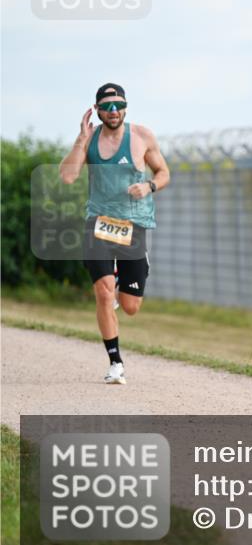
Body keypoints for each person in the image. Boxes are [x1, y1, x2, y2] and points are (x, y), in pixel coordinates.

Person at [59, 83, 170, 385]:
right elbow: (68, 176)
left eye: (118, 105)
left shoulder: (142, 136)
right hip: (98, 223)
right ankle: (115, 362)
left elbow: (163, 173)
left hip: (134, 225)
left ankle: (124, 276)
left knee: (130, 306)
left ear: (125, 107)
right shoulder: (90, 139)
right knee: (104, 293)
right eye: (106, 106)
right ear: (97, 110)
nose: (113, 111)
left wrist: (148, 186)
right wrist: (81, 139)